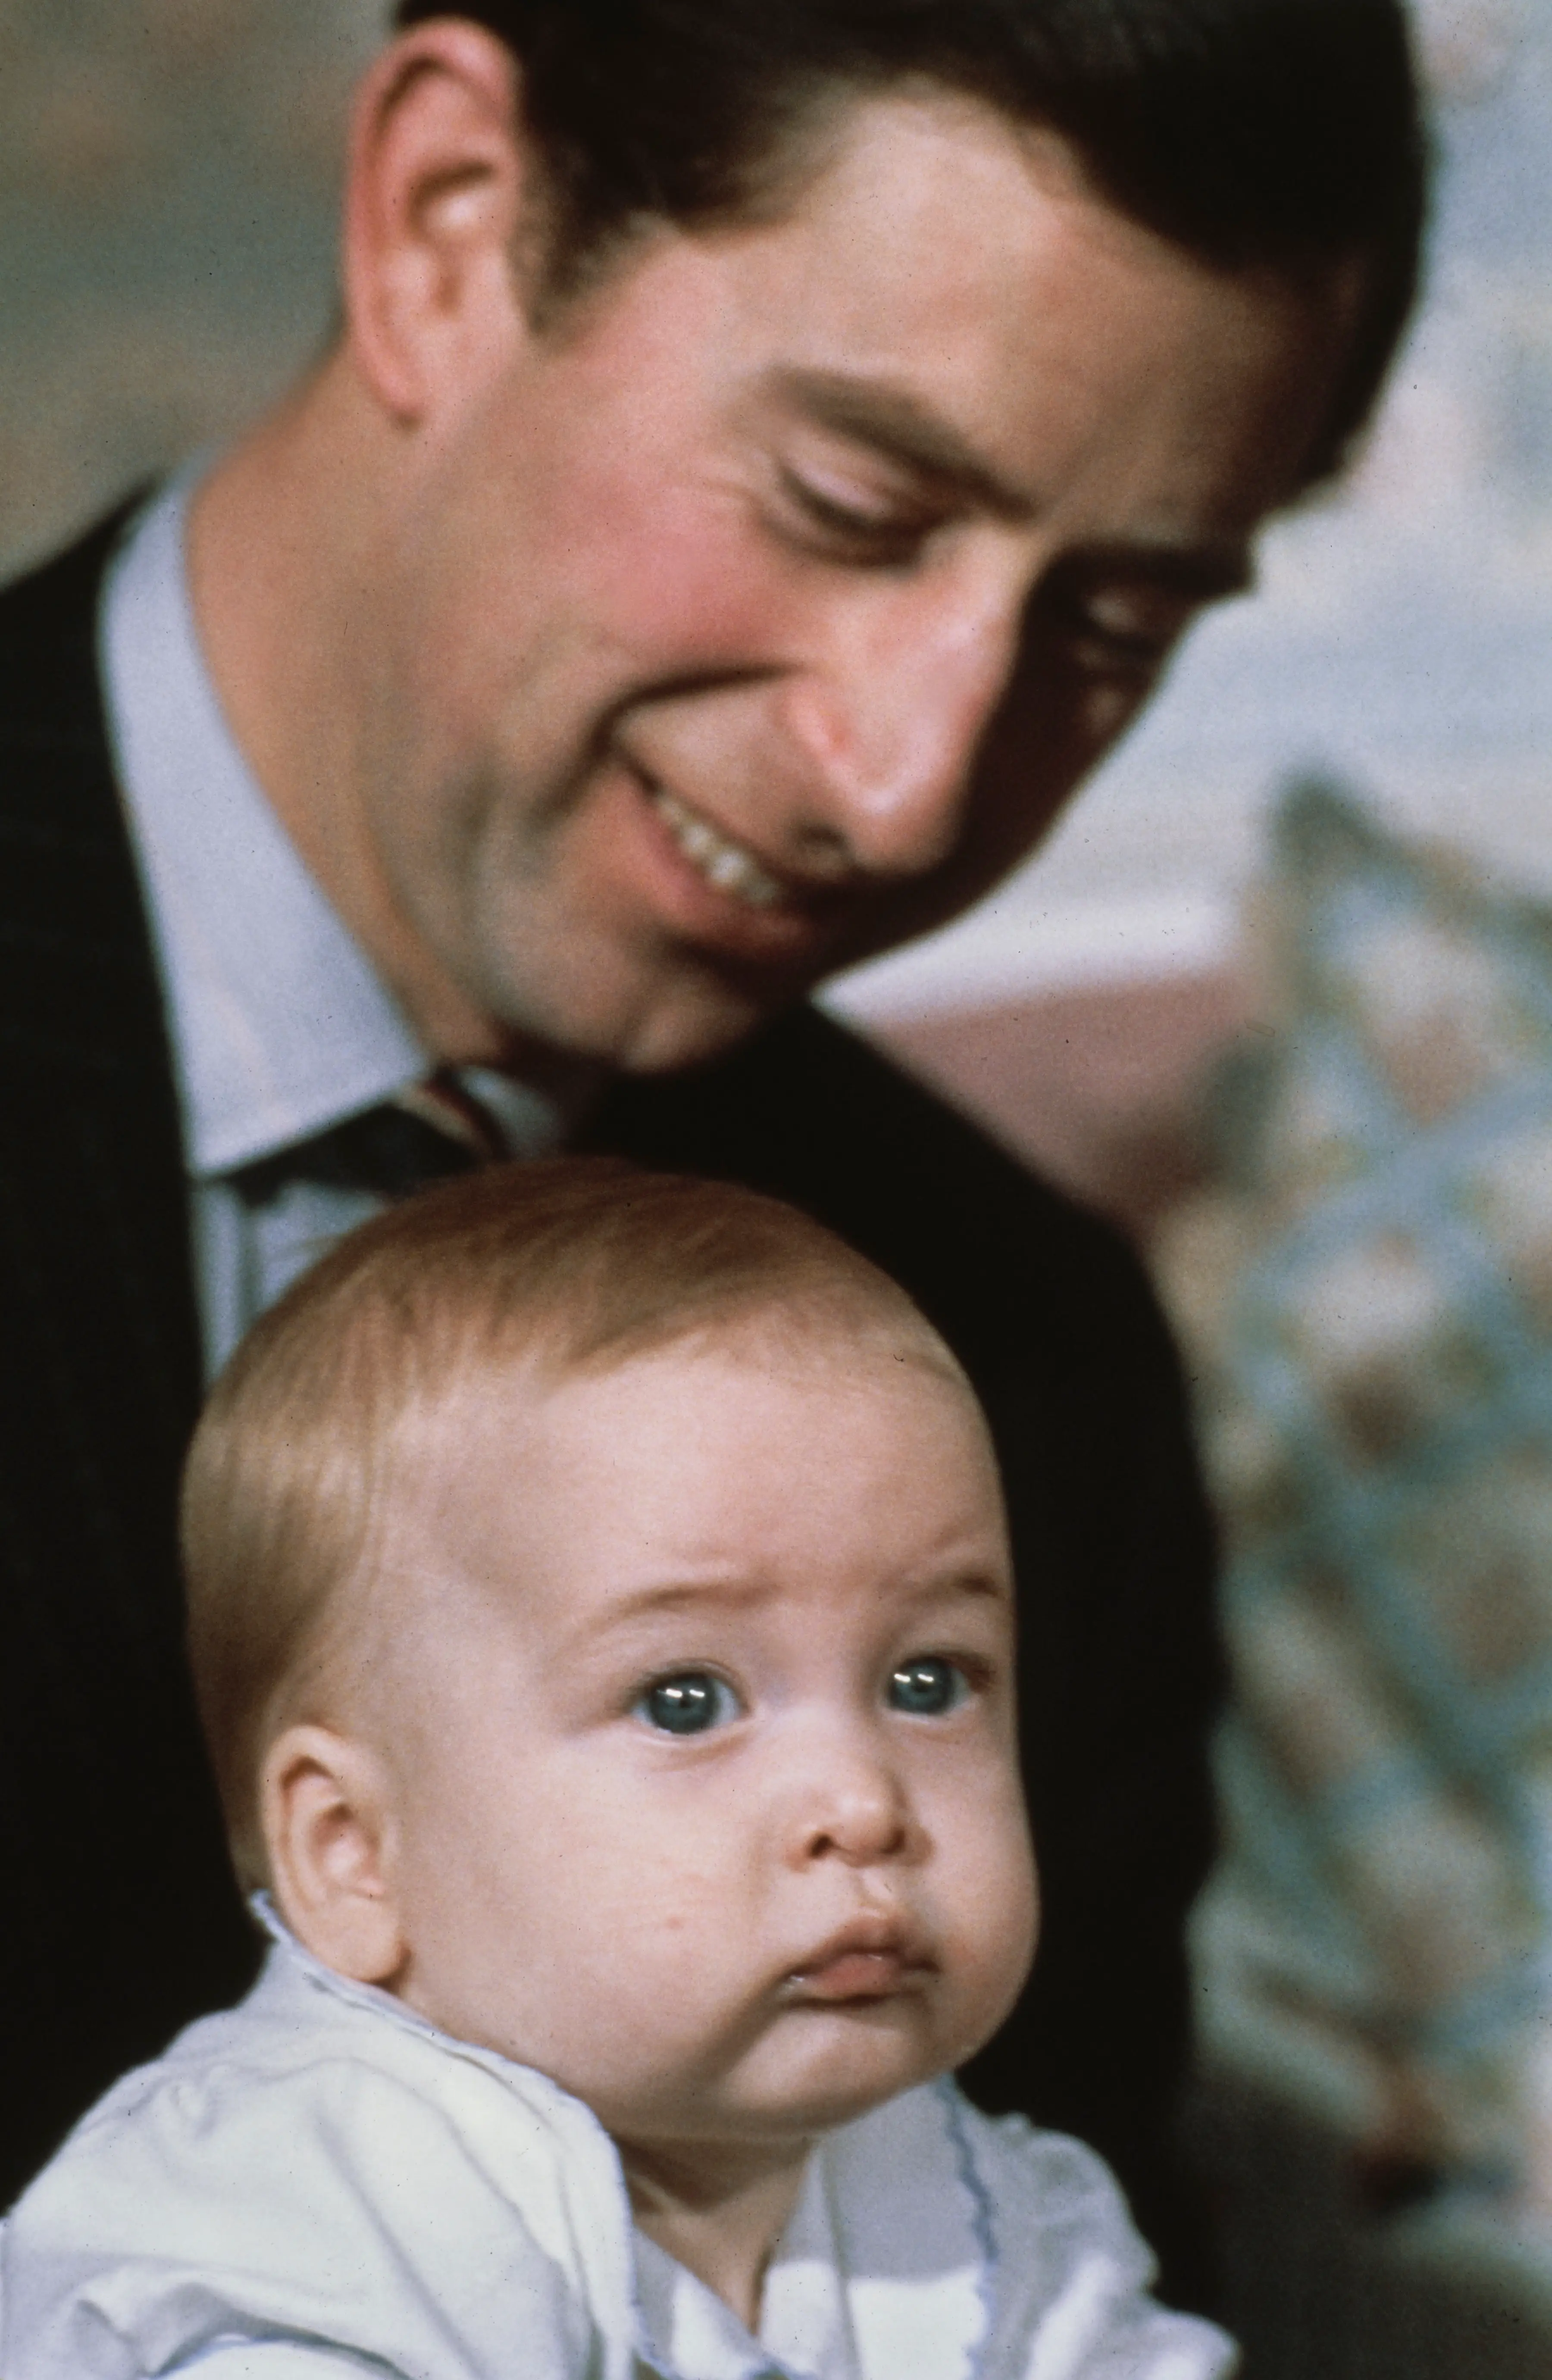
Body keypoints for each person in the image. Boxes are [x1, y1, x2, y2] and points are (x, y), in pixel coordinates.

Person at [0, 0, 1427, 2279]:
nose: (920, 784)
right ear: (450, 226)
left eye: (1118, 618)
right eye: (853, 507)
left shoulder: (1026, 1379)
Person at [2, 1160, 1235, 2380]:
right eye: (684, 1701)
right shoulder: (291, 2246)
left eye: (928, 1683)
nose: (863, 1804)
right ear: (354, 1851)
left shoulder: (975, 2208)